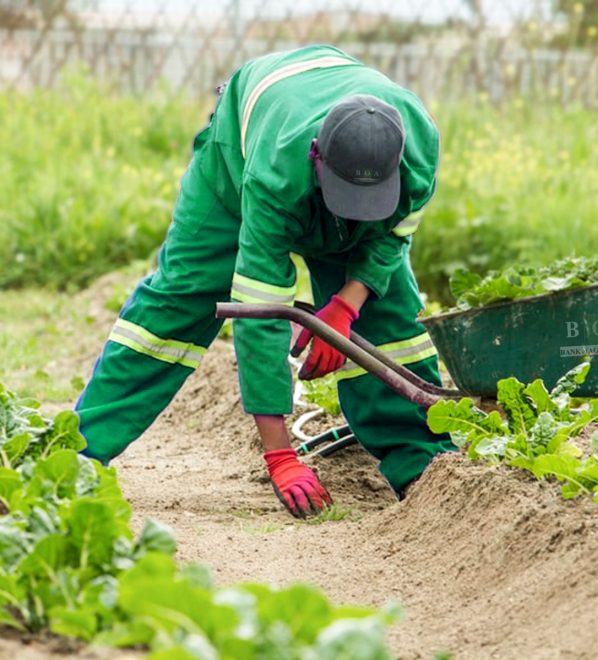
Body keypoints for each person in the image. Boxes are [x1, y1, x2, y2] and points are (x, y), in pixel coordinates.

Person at [75, 44, 457, 518]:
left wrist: (346, 306)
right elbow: (260, 313)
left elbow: (391, 239)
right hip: (240, 151)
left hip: (327, 133)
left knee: (387, 315)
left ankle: (423, 465)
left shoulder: (418, 150)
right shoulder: (277, 173)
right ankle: (79, 454)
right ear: (318, 162)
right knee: (182, 297)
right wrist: (279, 453)